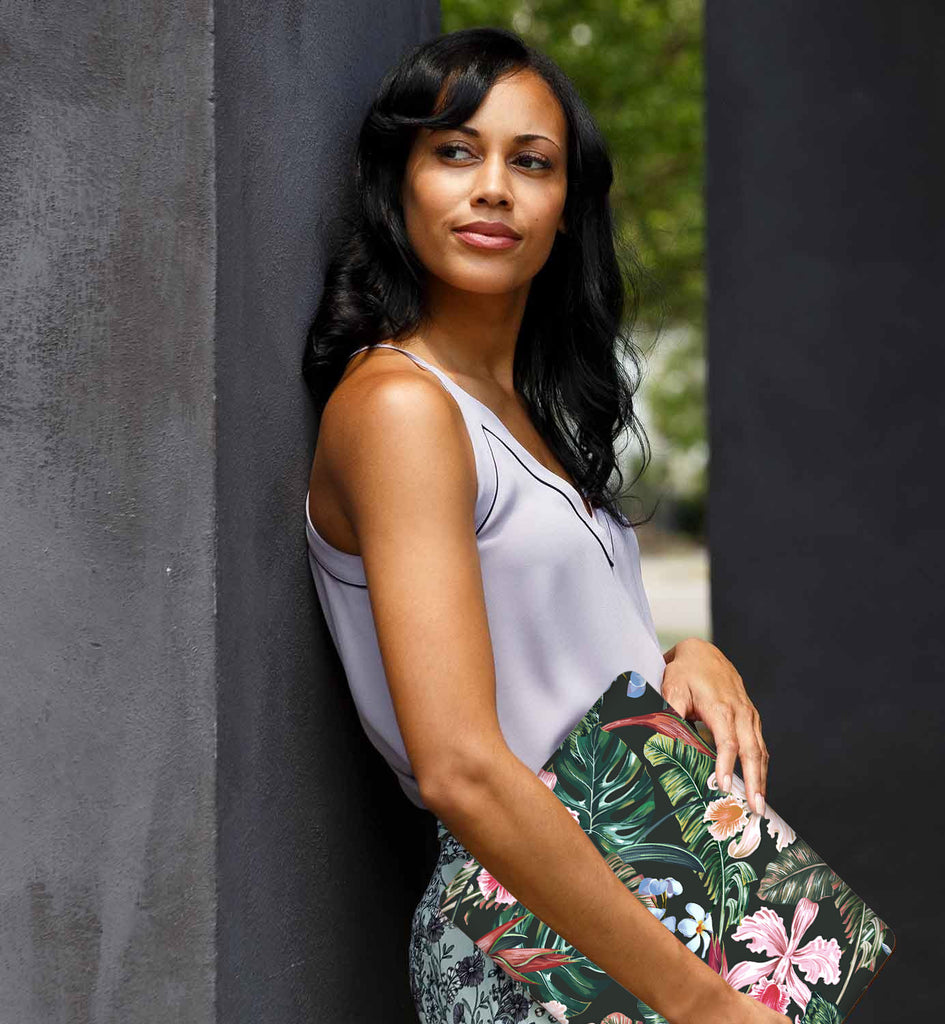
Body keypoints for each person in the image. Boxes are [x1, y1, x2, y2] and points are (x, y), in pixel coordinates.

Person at [301, 26, 786, 1024]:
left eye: (531, 162)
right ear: (398, 184)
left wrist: (680, 659)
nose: (492, 188)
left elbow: (551, 666)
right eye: (453, 152)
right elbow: (462, 765)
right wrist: (696, 1001)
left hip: (653, 884)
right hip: (536, 934)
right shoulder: (401, 407)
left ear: (566, 211)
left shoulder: (520, 415)